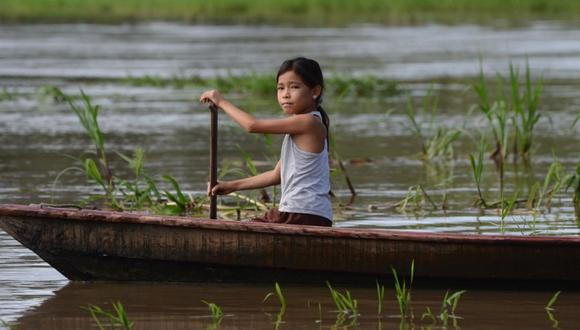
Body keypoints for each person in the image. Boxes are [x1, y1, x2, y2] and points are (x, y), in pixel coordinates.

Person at [199, 57, 332, 227]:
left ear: (315, 91)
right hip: (305, 213)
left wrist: (221, 101)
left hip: (302, 213)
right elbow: (277, 175)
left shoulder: (309, 123)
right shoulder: (302, 126)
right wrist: (232, 186)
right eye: (280, 88)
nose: (285, 94)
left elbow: (252, 125)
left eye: (294, 87)